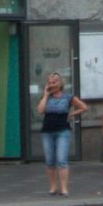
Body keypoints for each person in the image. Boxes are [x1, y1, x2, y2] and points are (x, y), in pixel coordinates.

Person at [39, 66, 76, 194]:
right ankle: (53, 187)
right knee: (50, 161)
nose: (51, 84)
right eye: (49, 83)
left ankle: (64, 188)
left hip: (63, 131)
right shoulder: (47, 97)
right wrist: (45, 95)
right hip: (47, 131)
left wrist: (72, 114)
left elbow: (84, 107)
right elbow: (40, 110)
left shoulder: (67, 97)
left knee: (61, 160)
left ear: (60, 84)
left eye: (54, 82)